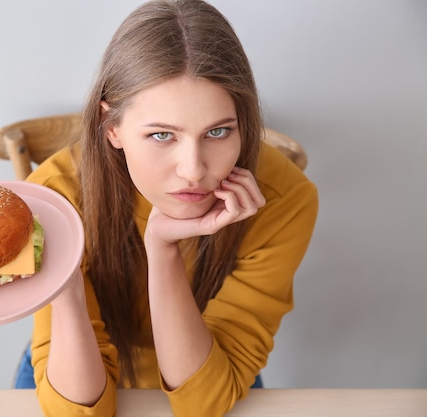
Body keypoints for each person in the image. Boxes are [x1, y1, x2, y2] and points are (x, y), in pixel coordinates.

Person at [22, 0, 318, 416]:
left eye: (217, 131)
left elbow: (203, 402)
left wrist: (161, 247)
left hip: (209, 363)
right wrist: (63, 285)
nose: (194, 170)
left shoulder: (282, 199)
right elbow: (79, 412)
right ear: (113, 128)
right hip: (77, 361)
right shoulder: (57, 199)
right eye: (162, 135)